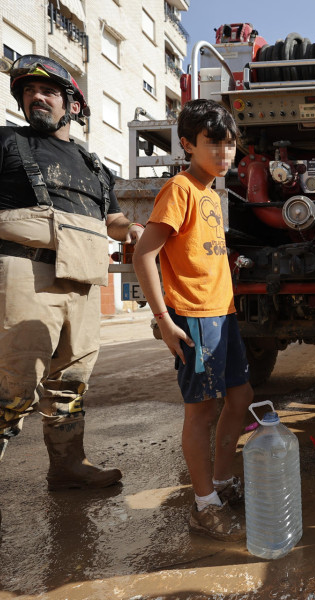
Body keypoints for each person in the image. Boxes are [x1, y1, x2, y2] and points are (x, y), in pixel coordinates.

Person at [0, 55, 142, 522]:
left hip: (81, 281)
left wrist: (133, 230)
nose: (36, 97)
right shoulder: (7, 142)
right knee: (13, 386)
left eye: (50, 91)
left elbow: (111, 218)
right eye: (28, 91)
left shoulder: (92, 165)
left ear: (74, 106)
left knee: (70, 384)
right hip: (26, 272)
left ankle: (68, 468)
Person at [132, 99, 253, 542]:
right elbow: (144, 252)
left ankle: (220, 483)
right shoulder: (180, 189)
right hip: (194, 316)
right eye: (213, 143)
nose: (224, 152)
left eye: (230, 143)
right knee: (201, 412)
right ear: (187, 144)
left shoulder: (210, 193)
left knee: (240, 399)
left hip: (223, 313)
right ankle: (203, 506)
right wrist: (163, 318)